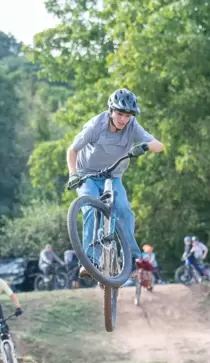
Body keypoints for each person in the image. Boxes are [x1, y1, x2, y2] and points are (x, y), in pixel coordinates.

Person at [66, 88, 164, 280]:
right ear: (111, 110)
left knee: (124, 210)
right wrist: (72, 174)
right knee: (90, 207)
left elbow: (159, 145)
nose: (123, 119)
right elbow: (72, 150)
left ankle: (133, 258)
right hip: (87, 175)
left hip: (113, 176)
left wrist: (144, 146)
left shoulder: (132, 126)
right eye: (119, 113)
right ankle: (90, 261)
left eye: (127, 115)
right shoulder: (96, 125)